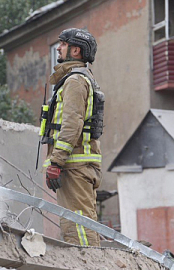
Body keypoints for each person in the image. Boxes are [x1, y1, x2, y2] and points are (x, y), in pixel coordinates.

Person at [40, 28, 105, 246]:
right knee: (79, 223)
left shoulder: (75, 81)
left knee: (78, 227)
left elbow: (71, 124)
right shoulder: (76, 79)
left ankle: (89, 263)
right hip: (77, 165)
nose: (58, 47)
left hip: (74, 166)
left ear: (75, 51)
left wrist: (56, 161)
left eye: (63, 44)